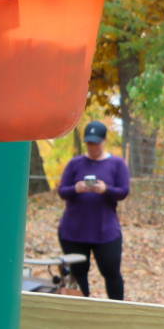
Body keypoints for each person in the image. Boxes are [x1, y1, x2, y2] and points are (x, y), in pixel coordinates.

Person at [57, 121, 130, 300]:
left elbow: (123, 191)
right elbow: (62, 191)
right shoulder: (75, 164)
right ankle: (82, 311)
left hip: (105, 231)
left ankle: (116, 311)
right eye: (89, 143)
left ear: (104, 141)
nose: (92, 147)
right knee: (78, 273)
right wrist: (77, 188)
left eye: (96, 143)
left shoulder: (117, 164)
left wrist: (106, 189)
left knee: (111, 271)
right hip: (74, 231)